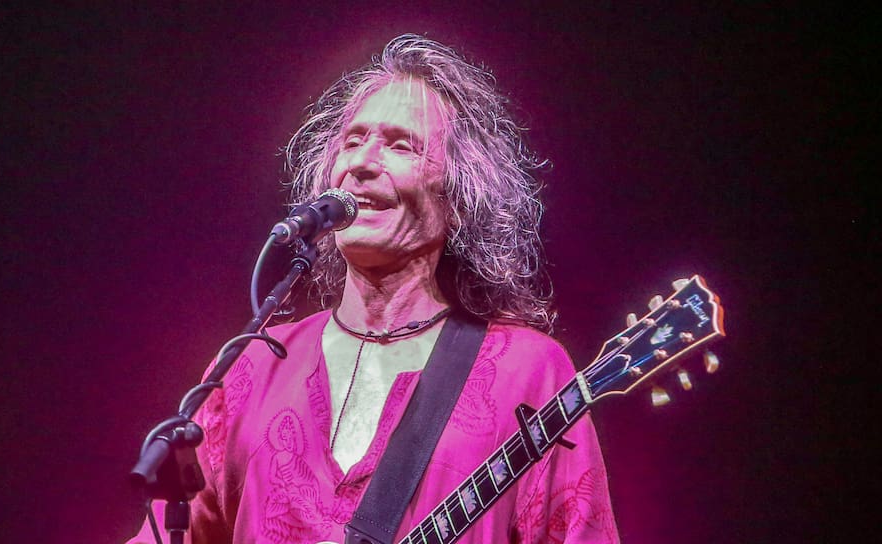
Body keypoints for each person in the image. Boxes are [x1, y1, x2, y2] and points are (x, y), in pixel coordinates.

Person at [127, 34, 620, 544]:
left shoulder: (525, 372)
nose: (362, 163)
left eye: (401, 144)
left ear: (459, 198)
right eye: (352, 141)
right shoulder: (250, 369)